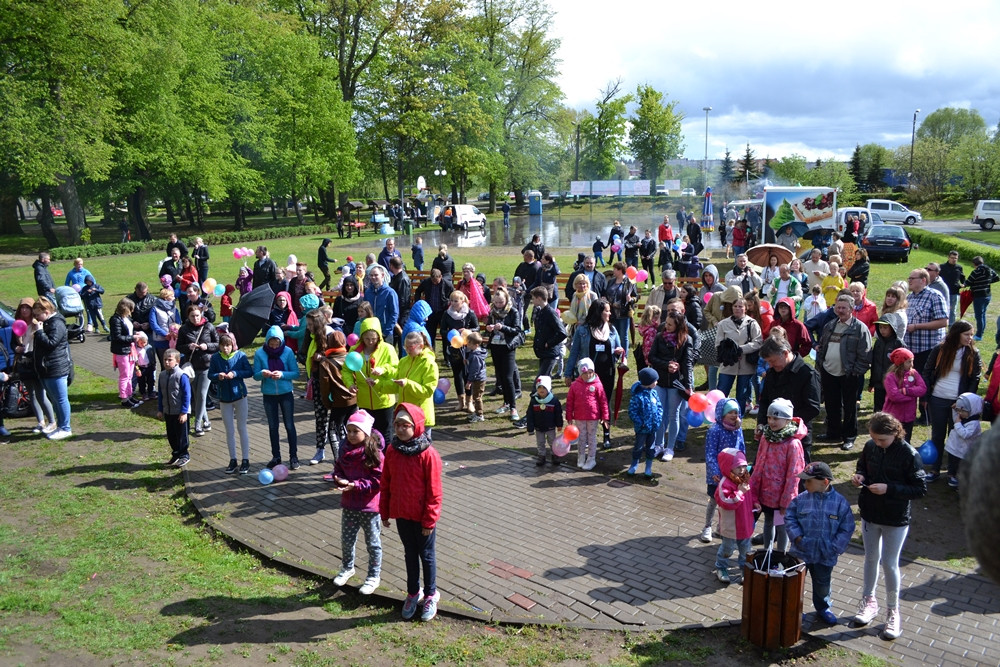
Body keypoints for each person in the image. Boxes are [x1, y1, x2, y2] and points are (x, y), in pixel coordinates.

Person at [851, 412, 927, 641]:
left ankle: (893, 611)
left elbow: (920, 489)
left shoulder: (909, 454)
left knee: (889, 563)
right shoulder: (870, 447)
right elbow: (862, 466)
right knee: (870, 558)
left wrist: (889, 489)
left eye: (881, 439)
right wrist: (859, 476)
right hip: (870, 513)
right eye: (873, 438)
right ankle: (868, 601)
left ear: (895, 433)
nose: (877, 443)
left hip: (895, 517)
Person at [380, 403, 443, 621]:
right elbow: (386, 482)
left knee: (426, 555)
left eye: (405, 425)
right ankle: (413, 593)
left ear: (416, 426)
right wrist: (384, 511)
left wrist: (429, 521)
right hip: (402, 515)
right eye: (396, 424)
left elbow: (434, 491)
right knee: (409, 554)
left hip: (422, 518)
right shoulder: (392, 450)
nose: (399, 429)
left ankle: (431, 594)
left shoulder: (428, 454)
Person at [785, 461, 856, 625]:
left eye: (809, 481)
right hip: (801, 552)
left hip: (825, 555)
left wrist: (834, 547)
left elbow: (847, 528)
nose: (805, 484)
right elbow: (789, 518)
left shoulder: (840, 503)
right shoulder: (800, 500)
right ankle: (794, 608)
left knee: (823, 584)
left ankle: (823, 607)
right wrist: (797, 537)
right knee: (795, 582)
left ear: (824, 482)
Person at [921, 320, 981, 481]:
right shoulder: (939, 349)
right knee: (938, 435)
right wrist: (926, 396)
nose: (970, 337)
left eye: (971, 334)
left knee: (956, 437)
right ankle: (935, 470)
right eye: (966, 334)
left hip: (958, 403)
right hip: (938, 399)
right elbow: (927, 371)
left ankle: (952, 472)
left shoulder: (973, 353)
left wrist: (965, 401)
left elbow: (975, 378)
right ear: (956, 334)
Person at [332, 409, 384, 596]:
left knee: (373, 543)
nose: (351, 435)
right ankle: (347, 568)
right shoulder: (345, 449)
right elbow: (338, 468)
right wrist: (338, 478)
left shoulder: (374, 453)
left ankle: (373, 576)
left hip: (369, 507)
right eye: (349, 430)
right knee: (347, 540)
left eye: (356, 431)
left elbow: (379, 480)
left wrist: (356, 485)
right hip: (349, 504)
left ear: (366, 432)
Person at [749, 398, 806, 554]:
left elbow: (794, 475)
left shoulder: (793, 444)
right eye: (769, 418)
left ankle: (780, 554)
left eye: (776, 418)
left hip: (781, 496)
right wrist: (754, 488)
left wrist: (787, 500)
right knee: (768, 522)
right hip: (765, 492)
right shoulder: (766, 437)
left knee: (782, 526)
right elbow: (758, 463)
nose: (771, 422)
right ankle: (767, 552)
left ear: (787, 420)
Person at [565, 298, 624, 450]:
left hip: (607, 373)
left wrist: (619, 353)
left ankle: (606, 434)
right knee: (587, 404)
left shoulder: (612, 330)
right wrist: (568, 373)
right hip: (588, 375)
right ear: (598, 312)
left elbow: (619, 350)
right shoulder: (583, 330)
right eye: (607, 311)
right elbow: (574, 353)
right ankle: (585, 436)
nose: (610, 314)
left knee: (605, 403)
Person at [646, 310, 696, 461]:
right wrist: (666, 364)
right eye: (666, 323)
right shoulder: (659, 337)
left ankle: (670, 448)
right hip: (660, 381)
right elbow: (651, 357)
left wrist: (689, 385)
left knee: (674, 415)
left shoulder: (686, 340)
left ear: (678, 326)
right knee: (660, 414)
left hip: (676, 383)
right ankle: (658, 445)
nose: (666, 326)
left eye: (670, 324)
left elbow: (687, 363)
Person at [253, 326, 301, 470]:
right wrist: (262, 373)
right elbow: (255, 376)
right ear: (267, 341)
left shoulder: (288, 352)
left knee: (289, 425)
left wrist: (282, 374)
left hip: (286, 393)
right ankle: (276, 457)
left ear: (281, 342)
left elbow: (296, 373)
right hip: (269, 395)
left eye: (277, 344)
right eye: (271, 344)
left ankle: (293, 457)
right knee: (273, 426)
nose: (274, 347)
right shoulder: (259, 353)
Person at [904, 268, 949, 422]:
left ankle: (926, 415)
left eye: (912, 278)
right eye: (909, 278)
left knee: (926, 381)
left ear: (923, 280)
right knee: (912, 380)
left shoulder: (934, 296)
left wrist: (917, 326)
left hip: (928, 348)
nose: (909, 281)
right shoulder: (909, 297)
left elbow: (943, 321)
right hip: (911, 349)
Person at [209, 333, 254, 475]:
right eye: (222, 346)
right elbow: (210, 374)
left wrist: (235, 373)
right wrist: (218, 376)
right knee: (229, 430)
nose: (225, 348)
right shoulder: (215, 358)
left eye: (228, 345)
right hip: (224, 398)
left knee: (242, 428)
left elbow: (249, 372)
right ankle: (232, 459)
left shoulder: (240, 356)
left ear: (233, 345)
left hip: (240, 396)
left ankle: (245, 459)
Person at [701, 399, 744, 543]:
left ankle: (721, 527)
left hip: (733, 474)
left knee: (728, 502)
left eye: (736, 412)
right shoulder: (715, 430)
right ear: (722, 414)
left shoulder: (738, 429)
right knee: (714, 500)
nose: (734, 415)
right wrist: (714, 471)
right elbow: (710, 453)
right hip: (717, 474)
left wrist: (743, 469)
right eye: (730, 412)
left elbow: (741, 449)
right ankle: (707, 526)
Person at [32, 298, 73, 440]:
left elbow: (51, 343)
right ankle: (60, 426)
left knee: (61, 399)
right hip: (47, 368)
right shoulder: (48, 323)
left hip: (56, 368)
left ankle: (66, 428)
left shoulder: (57, 323)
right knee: (55, 399)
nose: (36, 318)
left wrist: (39, 332)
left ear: (47, 311)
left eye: (38, 314)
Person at [317, 330, 358, 468]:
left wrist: (328, 403)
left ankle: (339, 462)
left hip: (338, 402)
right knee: (353, 430)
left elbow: (324, 387)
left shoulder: (325, 363)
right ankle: (354, 458)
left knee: (333, 431)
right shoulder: (351, 357)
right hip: (354, 400)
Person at [716, 297, 763, 416]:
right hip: (728, 364)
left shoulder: (752, 323)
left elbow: (758, 342)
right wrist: (731, 353)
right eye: (735, 306)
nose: (737, 309)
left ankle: (738, 419)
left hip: (746, 365)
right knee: (722, 393)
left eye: (740, 306)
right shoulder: (723, 324)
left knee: (742, 395)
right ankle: (719, 418)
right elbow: (718, 344)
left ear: (745, 308)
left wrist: (741, 350)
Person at [178, 303, 219, 437]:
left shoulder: (209, 326)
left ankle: (197, 423)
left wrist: (206, 346)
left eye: (197, 315)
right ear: (188, 317)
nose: (195, 318)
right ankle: (206, 421)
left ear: (201, 314)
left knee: (201, 394)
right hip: (191, 367)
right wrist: (188, 347)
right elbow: (178, 347)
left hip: (207, 366)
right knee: (197, 396)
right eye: (192, 316)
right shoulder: (184, 329)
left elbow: (218, 344)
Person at [713, 447, 753, 585]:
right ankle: (721, 567)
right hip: (731, 525)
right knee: (727, 548)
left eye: (744, 466)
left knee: (745, 549)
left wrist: (755, 502)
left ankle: (744, 569)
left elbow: (751, 494)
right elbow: (726, 502)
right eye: (738, 467)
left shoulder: (745, 479)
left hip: (745, 522)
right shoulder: (724, 484)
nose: (742, 470)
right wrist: (740, 493)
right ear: (728, 467)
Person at [486, 287, 525, 423]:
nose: (498, 305)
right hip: (495, 346)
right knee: (500, 376)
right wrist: (489, 328)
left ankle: (513, 407)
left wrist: (503, 327)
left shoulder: (513, 311)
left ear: (506, 300)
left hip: (508, 347)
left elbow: (517, 330)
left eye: (501, 302)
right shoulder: (492, 312)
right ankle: (506, 403)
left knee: (508, 377)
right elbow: (488, 326)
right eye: (496, 302)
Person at [391, 332, 439, 438]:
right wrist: (377, 384)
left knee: (421, 448)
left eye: (410, 347)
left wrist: (407, 383)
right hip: (405, 414)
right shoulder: (403, 361)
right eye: (405, 347)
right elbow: (395, 385)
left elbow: (427, 391)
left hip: (420, 416)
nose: (407, 350)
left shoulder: (429, 364)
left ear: (420, 346)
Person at [565, 357, 608, 471]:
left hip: (593, 417)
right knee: (581, 437)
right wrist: (569, 416)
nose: (588, 375)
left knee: (591, 437)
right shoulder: (575, 385)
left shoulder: (597, 384)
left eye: (590, 372)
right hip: (579, 416)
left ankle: (591, 458)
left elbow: (603, 401)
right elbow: (569, 401)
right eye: (585, 373)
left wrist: (605, 416)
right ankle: (581, 456)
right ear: (580, 373)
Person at [157, 348, 191, 467]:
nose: (166, 362)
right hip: (168, 411)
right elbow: (160, 393)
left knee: (182, 435)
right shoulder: (162, 375)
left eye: (170, 360)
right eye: (165, 360)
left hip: (180, 412)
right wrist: (160, 409)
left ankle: (184, 455)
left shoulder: (181, 375)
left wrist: (184, 412)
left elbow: (187, 395)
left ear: (177, 361)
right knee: (171, 435)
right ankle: (176, 453)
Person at [626, 367, 662, 478]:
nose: (657, 382)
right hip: (642, 428)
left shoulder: (654, 393)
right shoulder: (638, 396)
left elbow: (659, 407)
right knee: (638, 447)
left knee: (651, 448)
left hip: (653, 428)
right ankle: (634, 465)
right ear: (648, 382)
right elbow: (632, 412)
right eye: (655, 380)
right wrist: (640, 423)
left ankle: (648, 467)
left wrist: (658, 419)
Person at [944, 392, 982, 489]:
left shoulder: (974, 423)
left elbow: (965, 434)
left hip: (963, 449)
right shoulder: (963, 416)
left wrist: (957, 424)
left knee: (961, 465)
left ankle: (962, 480)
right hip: (954, 447)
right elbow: (955, 419)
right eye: (958, 411)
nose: (959, 413)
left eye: (962, 411)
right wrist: (954, 410)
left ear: (972, 410)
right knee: (952, 463)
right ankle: (951, 476)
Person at [871, 315, 907, 414]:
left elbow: (905, 365)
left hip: (893, 383)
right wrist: (872, 383)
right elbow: (874, 363)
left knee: (891, 407)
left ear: (892, 328)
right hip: (879, 382)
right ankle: (878, 422)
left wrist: (901, 381)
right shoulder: (878, 343)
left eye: (885, 327)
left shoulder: (898, 343)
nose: (882, 330)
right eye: (880, 327)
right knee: (878, 408)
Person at [109, 298, 140, 408]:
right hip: (122, 351)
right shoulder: (115, 320)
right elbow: (117, 337)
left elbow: (128, 331)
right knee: (124, 376)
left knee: (130, 375)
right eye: (131, 309)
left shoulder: (125, 318)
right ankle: (124, 398)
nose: (132, 311)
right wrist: (133, 337)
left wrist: (135, 333)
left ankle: (129, 395)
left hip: (130, 349)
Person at [525, 375, 564, 466]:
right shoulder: (534, 400)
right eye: (539, 387)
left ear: (548, 388)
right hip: (539, 427)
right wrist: (530, 427)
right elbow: (530, 415)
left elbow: (558, 413)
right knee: (540, 442)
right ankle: (541, 456)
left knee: (552, 442)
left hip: (550, 427)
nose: (541, 390)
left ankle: (554, 455)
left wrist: (559, 424)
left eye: (544, 387)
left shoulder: (554, 400)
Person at [530, 286, 567, 378]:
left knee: (541, 380)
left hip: (550, 353)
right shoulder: (541, 311)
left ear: (539, 298)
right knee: (545, 380)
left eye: (533, 298)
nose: (532, 301)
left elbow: (562, 333)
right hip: (543, 352)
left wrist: (549, 343)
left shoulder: (550, 313)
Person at [963, 255, 999, 340]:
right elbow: (997, 278)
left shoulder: (976, 272)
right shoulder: (989, 269)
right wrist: (987, 282)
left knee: (979, 316)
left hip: (978, 296)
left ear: (974, 264)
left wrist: (963, 284)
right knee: (983, 314)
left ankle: (979, 335)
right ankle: (981, 332)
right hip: (987, 295)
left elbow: (968, 282)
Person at [365, 264, 400, 346]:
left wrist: (386, 331)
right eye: (371, 275)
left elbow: (394, 314)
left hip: (386, 334)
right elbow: (365, 311)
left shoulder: (390, 293)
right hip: (371, 333)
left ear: (382, 275)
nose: (373, 277)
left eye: (376, 275)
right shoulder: (368, 292)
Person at [605, 262, 637, 348]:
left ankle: (624, 355)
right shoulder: (611, 281)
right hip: (612, 312)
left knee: (623, 336)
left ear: (620, 270)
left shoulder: (629, 282)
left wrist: (631, 299)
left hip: (624, 312)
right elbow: (607, 293)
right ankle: (616, 352)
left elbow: (636, 296)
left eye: (615, 269)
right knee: (614, 334)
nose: (613, 271)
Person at [464, 332, 488, 423]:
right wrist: (468, 361)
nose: (467, 344)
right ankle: (477, 413)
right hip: (479, 378)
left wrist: (469, 382)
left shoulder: (475, 356)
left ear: (476, 345)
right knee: (476, 396)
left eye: (469, 343)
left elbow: (474, 370)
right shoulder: (476, 353)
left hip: (478, 379)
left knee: (477, 397)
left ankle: (480, 415)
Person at [939, 250, 965, 326]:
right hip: (943, 292)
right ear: (948, 257)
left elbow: (962, 278)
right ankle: (941, 325)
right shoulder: (942, 267)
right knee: (941, 309)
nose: (954, 260)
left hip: (954, 292)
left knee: (953, 311)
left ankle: (951, 327)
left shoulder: (959, 267)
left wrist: (963, 284)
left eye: (955, 258)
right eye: (952, 258)